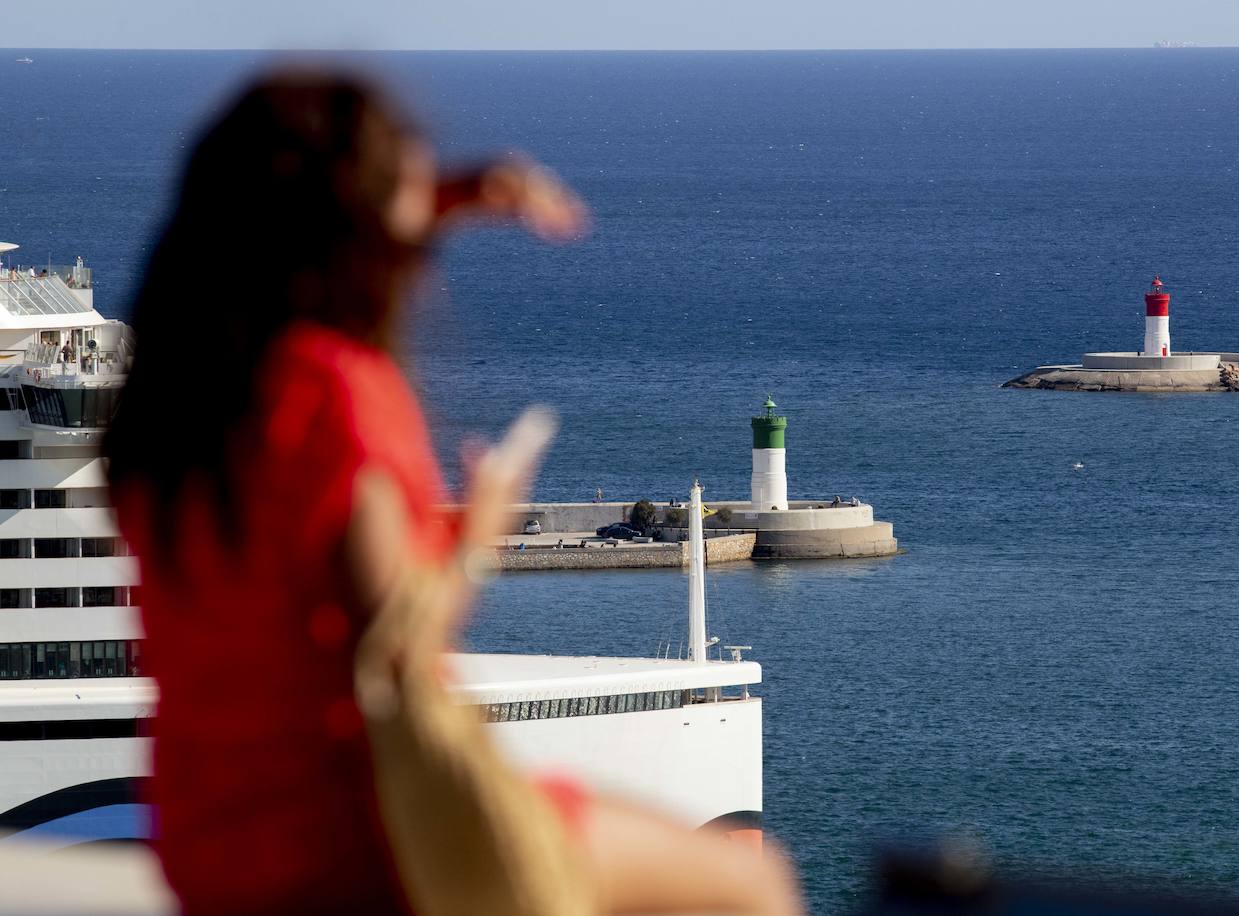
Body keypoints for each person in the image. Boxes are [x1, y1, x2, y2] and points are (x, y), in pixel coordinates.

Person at [104, 71, 799, 916]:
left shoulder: (168, 409)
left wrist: (466, 191)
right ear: (357, 234)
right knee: (749, 884)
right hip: (356, 836)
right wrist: (478, 537)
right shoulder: (331, 396)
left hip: (204, 838)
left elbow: (287, 220)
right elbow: (389, 650)